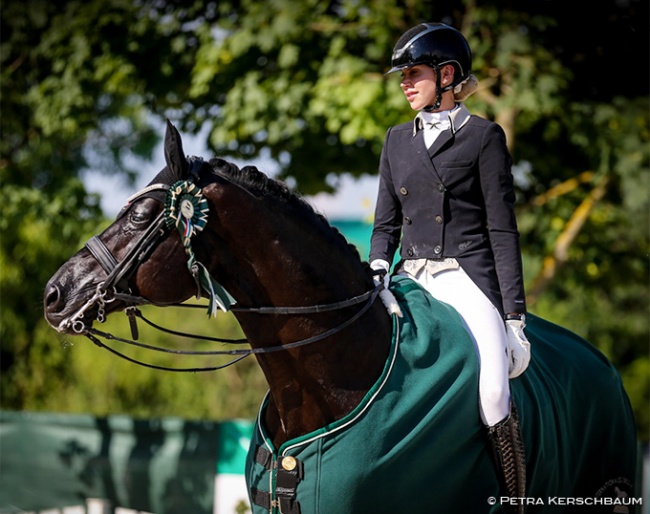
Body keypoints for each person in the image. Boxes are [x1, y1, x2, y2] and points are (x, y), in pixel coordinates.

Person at [369, 22, 530, 512]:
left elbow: (502, 231)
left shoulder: (483, 138)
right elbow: (384, 223)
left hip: (465, 277)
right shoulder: (396, 140)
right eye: (402, 75)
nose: (403, 83)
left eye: (413, 73)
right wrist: (378, 266)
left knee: (493, 394)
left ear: (447, 75)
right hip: (408, 276)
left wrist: (514, 319)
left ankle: (516, 500)